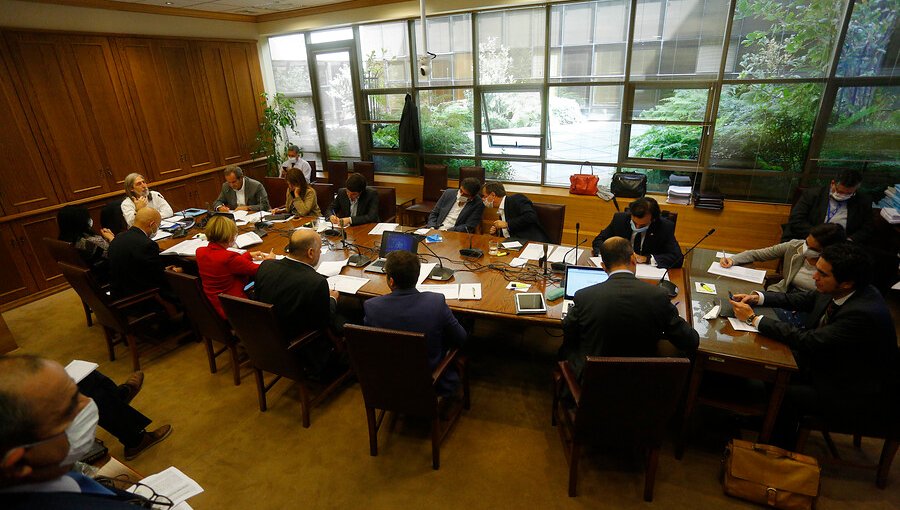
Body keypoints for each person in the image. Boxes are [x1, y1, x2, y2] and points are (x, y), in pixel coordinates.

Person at [730, 243, 898, 446]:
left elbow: (809, 341)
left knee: (787, 390)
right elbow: (806, 299)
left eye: (822, 274)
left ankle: (775, 449)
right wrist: (758, 298)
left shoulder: (862, 313)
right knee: (772, 363)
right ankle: (768, 420)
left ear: (846, 283)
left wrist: (754, 320)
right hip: (829, 364)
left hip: (852, 390)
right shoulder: (846, 289)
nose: (814, 277)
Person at [0, 355, 171, 509]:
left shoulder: (51, 476)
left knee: (90, 382)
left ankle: (117, 399)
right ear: (18, 464)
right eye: (70, 407)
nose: (88, 402)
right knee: (101, 396)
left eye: (76, 392)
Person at [560, 237, 698, 380]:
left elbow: (568, 327)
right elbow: (690, 340)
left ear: (603, 266)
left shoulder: (584, 296)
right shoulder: (658, 296)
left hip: (594, 382)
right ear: (633, 260)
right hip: (639, 381)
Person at [363, 251, 467, 396]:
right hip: (431, 383)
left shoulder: (372, 307)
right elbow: (461, 338)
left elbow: (370, 347)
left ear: (391, 281)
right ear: (417, 277)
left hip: (388, 383)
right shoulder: (435, 303)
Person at [254, 228, 344, 379]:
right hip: (300, 349)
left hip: (268, 342)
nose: (320, 253)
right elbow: (323, 322)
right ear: (310, 253)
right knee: (348, 317)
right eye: (319, 250)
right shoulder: (316, 282)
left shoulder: (266, 266)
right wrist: (332, 299)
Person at [720, 223, 846, 293]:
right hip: (780, 295)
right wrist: (733, 260)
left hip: (805, 308)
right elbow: (757, 254)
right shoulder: (795, 245)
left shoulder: (833, 267)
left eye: (813, 249)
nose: (806, 248)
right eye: (807, 242)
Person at [195, 215, 275, 318]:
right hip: (235, 309)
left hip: (215, 304)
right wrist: (270, 260)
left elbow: (232, 264)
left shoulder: (200, 252)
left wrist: (248, 255)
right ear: (229, 235)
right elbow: (259, 270)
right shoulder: (228, 257)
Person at [107, 207, 181, 310]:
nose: (157, 228)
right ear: (152, 224)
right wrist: (174, 273)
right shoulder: (147, 244)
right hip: (142, 299)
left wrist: (163, 270)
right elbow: (159, 280)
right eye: (158, 225)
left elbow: (143, 269)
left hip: (120, 294)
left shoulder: (117, 238)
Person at [781, 169, 874, 244]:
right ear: (833, 183)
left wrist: (850, 240)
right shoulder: (813, 195)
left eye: (849, 193)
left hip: (842, 244)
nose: (843, 195)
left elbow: (867, 228)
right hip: (809, 238)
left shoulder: (863, 201)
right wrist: (820, 237)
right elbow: (796, 220)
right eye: (840, 191)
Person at [591, 197, 682, 268]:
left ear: (653, 219)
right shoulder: (620, 220)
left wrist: (646, 259)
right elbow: (599, 241)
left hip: (648, 273)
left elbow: (677, 258)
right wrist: (608, 255)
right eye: (634, 223)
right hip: (620, 268)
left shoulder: (664, 227)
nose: (637, 227)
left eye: (642, 225)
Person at [480, 181, 550, 243]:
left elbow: (531, 216)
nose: (482, 199)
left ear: (493, 195)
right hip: (511, 245)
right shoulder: (501, 209)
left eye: (484, 196)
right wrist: (497, 232)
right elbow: (508, 233)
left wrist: (507, 224)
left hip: (530, 243)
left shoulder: (517, 199)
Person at [57, 205, 115, 278]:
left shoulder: (65, 240)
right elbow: (116, 254)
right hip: (107, 275)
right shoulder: (90, 241)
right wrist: (111, 238)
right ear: (81, 222)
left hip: (90, 276)